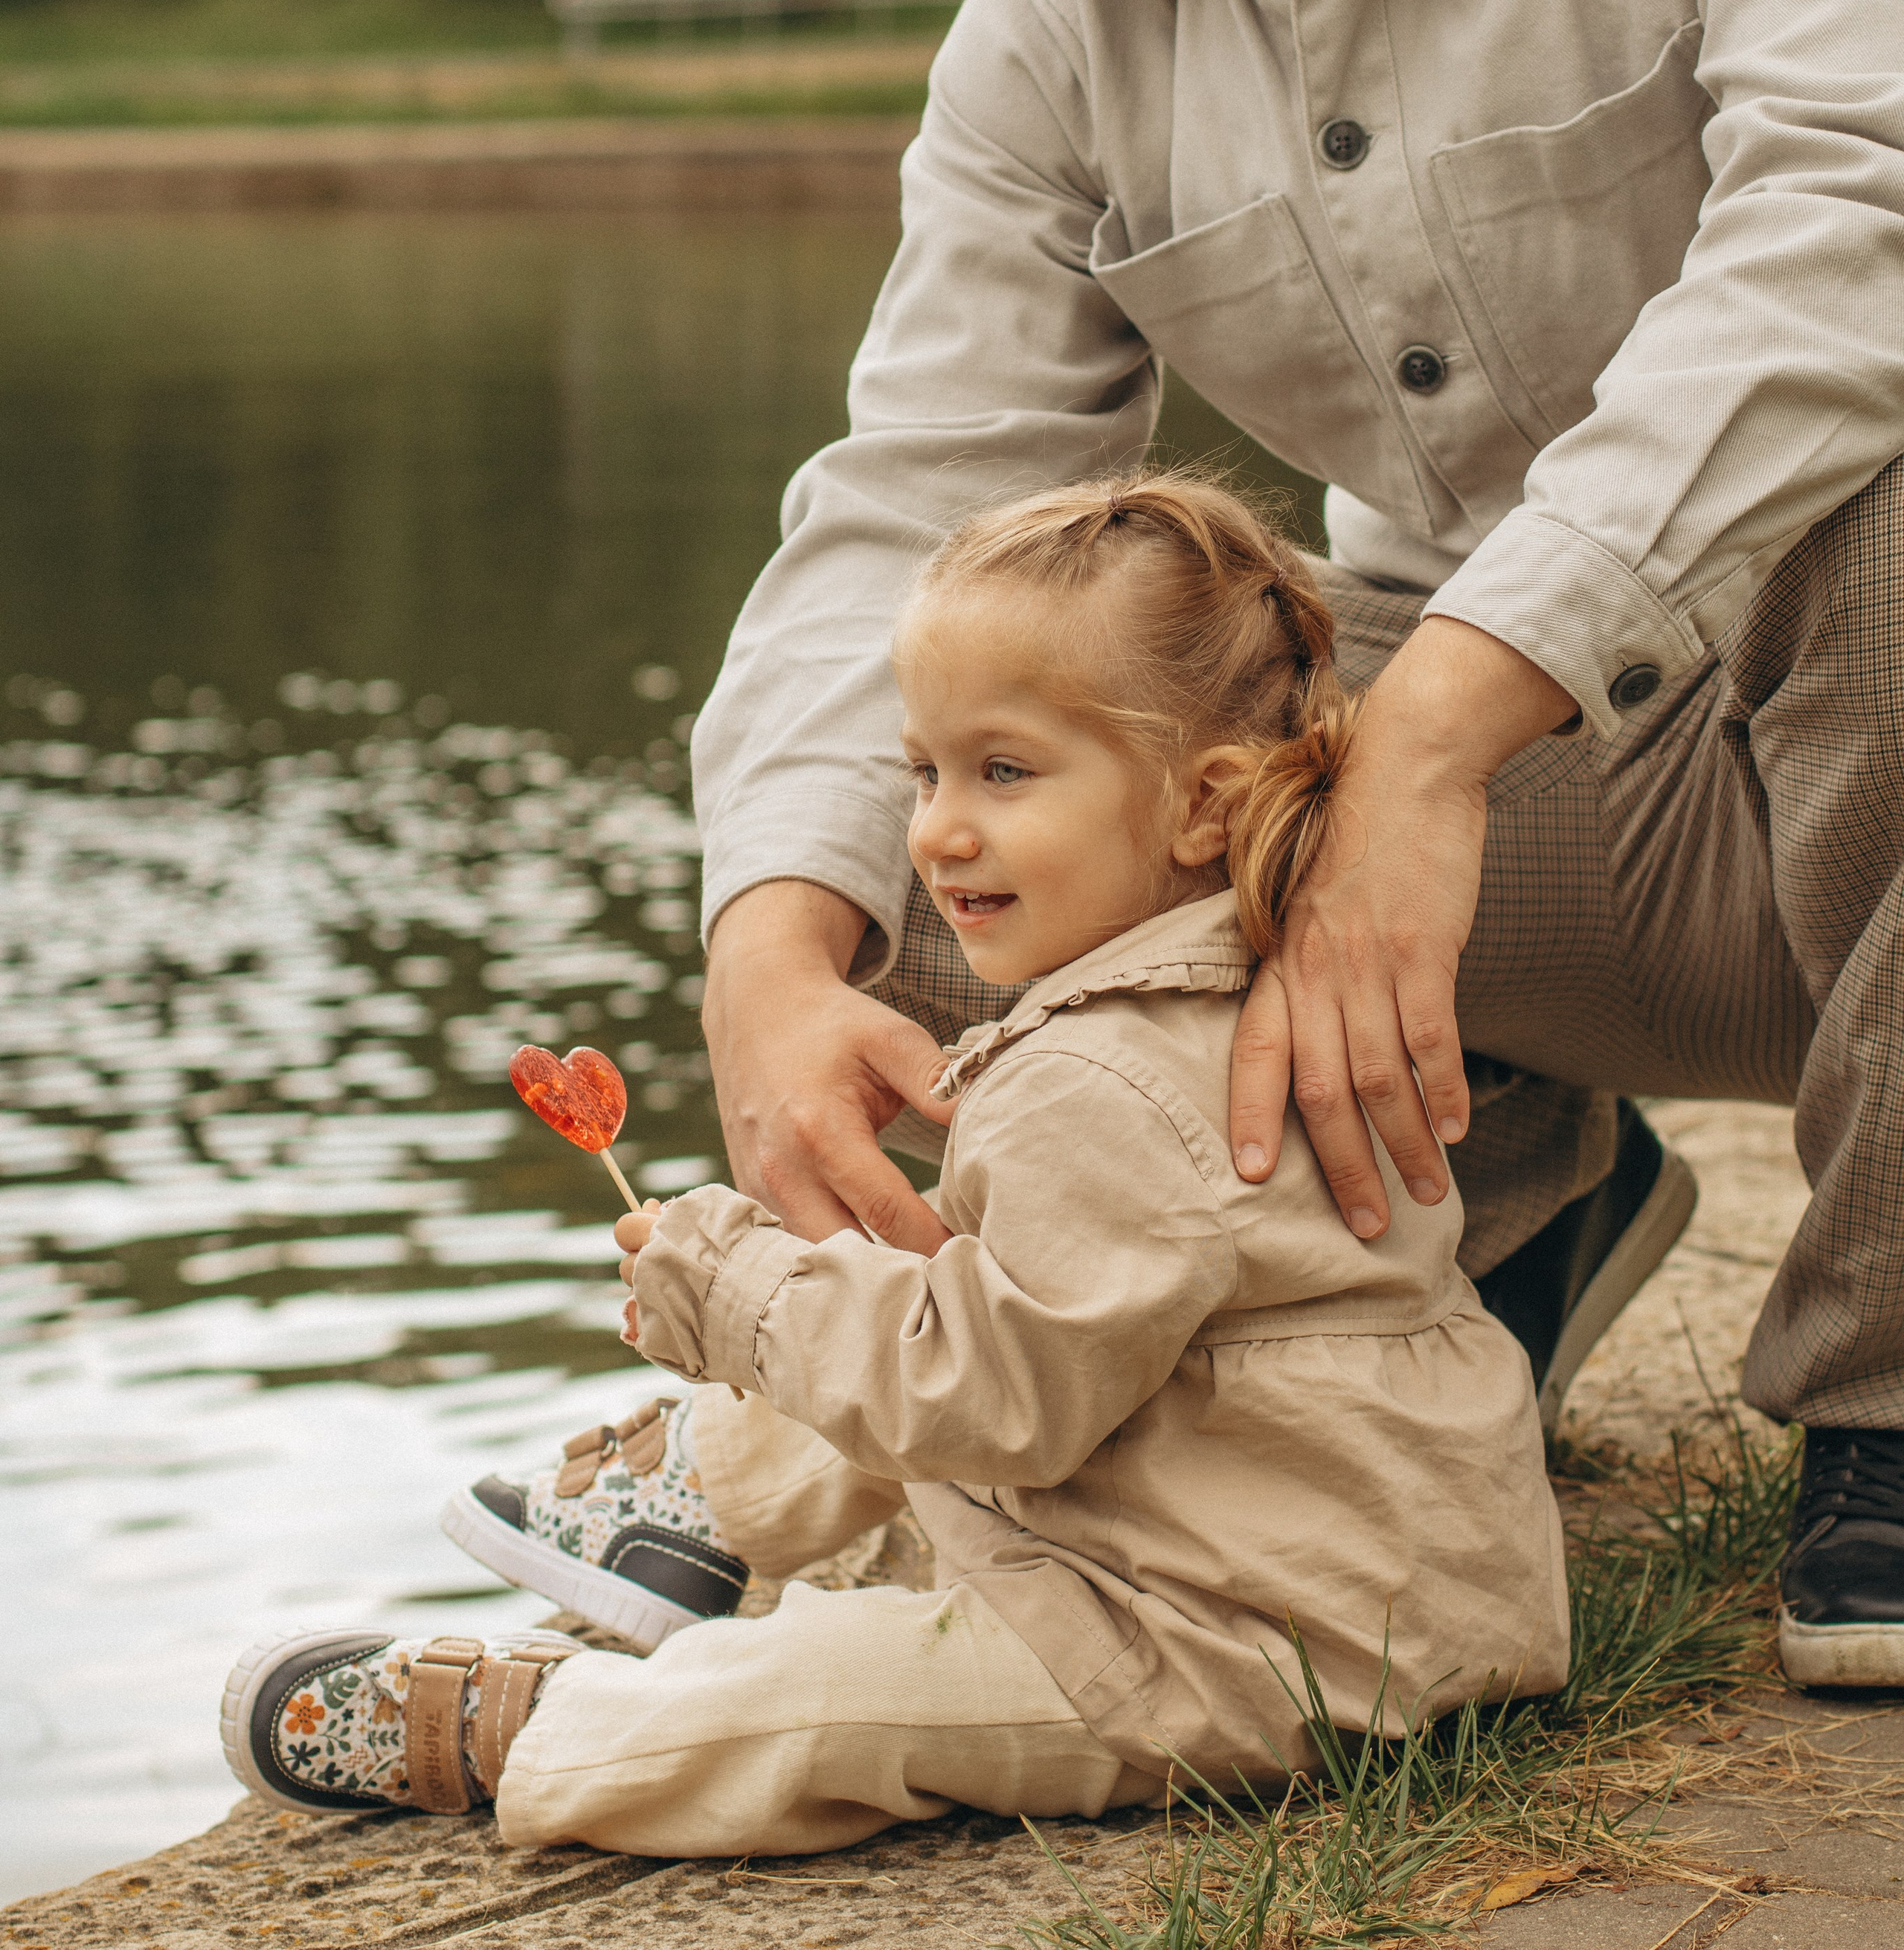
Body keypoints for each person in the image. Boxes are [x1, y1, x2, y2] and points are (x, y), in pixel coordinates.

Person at [689, 0, 1904, 1690]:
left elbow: (1853, 239)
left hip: (1833, 752)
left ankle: (1887, 1392)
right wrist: (774, 954)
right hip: (1533, 863)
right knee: (977, 755)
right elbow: (919, 479)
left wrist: (1445, 723)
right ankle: (1383, 1264)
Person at [222, 476, 1568, 1848]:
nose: (935, 829)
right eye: (924, 770)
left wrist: (738, 1290)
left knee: (826, 1693)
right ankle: (709, 1509)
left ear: (1199, 807)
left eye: (1005, 772)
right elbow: (1029, 1326)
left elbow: (993, 1404)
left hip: (1249, 1648)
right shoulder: (1249, 988)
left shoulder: (1099, 1080)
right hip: (1331, 1552)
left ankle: (551, 1721)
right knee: (904, 1290)